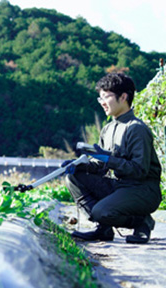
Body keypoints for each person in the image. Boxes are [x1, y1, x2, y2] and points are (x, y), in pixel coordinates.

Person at [64, 72, 162, 244]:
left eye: (106, 97)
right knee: (73, 177)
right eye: (99, 98)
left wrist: (109, 159)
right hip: (119, 186)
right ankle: (104, 229)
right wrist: (80, 165)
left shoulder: (136, 129)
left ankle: (141, 221)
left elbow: (139, 170)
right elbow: (100, 165)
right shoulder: (108, 129)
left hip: (142, 190)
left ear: (123, 97)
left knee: (101, 211)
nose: (102, 102)